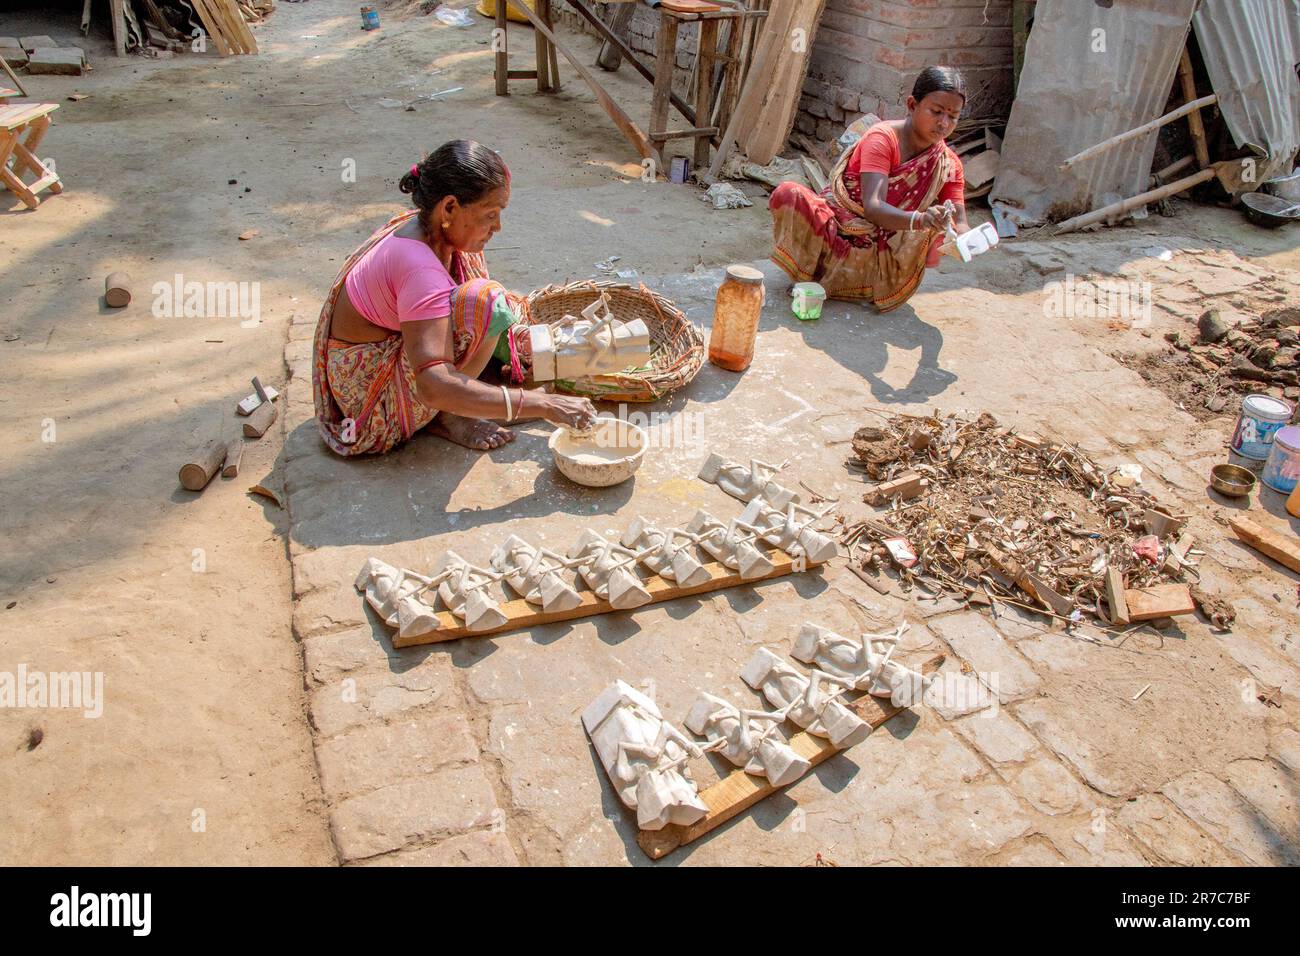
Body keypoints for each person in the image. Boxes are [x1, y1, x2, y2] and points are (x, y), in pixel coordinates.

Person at [312, 139, 597, 456]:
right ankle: (449, 413)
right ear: (449, 207)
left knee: (493, 302)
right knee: (485, 301)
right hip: (370, 404)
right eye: (490, 214)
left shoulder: (429, 230)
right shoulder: (419, 269)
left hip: (394, 353)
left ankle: (467, 392)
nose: (498, 227)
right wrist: (542, 404)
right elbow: (432, 384)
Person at [769, 65, 972, 312]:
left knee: (932, 229)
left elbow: (960, 220)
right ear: (912, 105)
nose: (944, 123)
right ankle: (815, 272)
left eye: (953, 116)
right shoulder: (883, 139)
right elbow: (873, 207)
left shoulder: (947, 163)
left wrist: (965, 237)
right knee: (789, 194)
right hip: (839, 231)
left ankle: (851, 281)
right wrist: (920, 219)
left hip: (882, 247)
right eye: (936, 111)